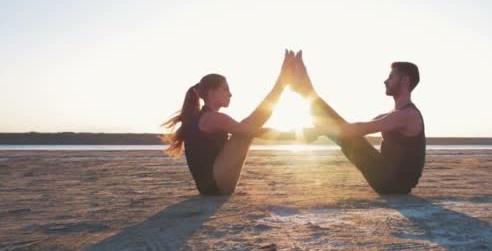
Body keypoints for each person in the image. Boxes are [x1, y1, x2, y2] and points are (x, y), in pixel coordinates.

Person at [162, 50, 298, 195]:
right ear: (211, 92)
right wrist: (298, 135)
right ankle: (282, 83)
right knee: (245, 130)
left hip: (207, 186)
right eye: (225, 89)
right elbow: (254, 132)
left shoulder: (201, 117)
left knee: (247, 126)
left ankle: (282, 83)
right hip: (217, 185)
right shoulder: (213, 118)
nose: (230, 94)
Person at [291, 51, 426, 194]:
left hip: (395, 183)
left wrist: (322, 130)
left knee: (347, 132)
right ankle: (306, 90)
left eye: (391, 77)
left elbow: (360, 129)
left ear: (405, 81)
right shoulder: (391, 115)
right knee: (346, 131)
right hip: (389, 179)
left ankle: (306, 90)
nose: (385, 81)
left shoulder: (408, 115)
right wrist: (326, 129)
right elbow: (350, 128)